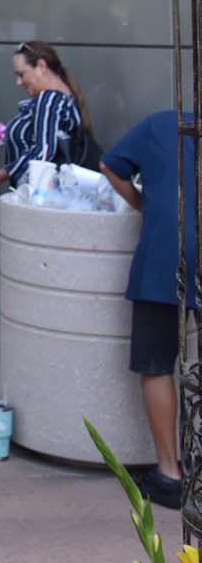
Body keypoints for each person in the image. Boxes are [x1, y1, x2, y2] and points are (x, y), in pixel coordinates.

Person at [101, 110, 197, 510]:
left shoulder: (165, 123)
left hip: (167, 250)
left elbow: (110, 165)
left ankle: (169, 473)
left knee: (156, 363)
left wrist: (145, 204)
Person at [0, 40, 96, 198]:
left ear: (42, 66)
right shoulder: (63, 98)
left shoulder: (49, 99)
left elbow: (44, 150)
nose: (18, 82)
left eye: (21, 74)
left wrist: (3, 174)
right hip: (52, 200)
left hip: (40, 201)